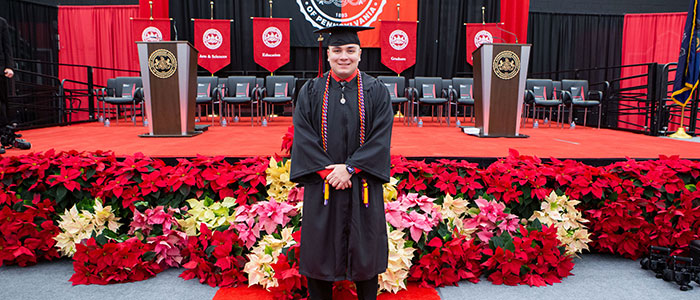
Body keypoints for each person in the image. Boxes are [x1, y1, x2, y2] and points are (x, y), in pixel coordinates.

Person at [290, 25, 394, 300]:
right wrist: (329, 171)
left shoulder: (376, 91)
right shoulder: (311, 91)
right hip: (323, 184)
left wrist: (349, 168)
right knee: (319, 249)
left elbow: (381, 137)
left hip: (363, 184)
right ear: (328, 55)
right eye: (337, 51)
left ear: (360, 54)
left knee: (365, 250)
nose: (344, 57)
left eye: (350, 50)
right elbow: (303, 136)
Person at [0, 17, 15, 154]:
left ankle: (4, 134)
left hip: (0, 70)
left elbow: (7, 47)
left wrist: (9, 66)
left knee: (2, 103)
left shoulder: (1, 22)